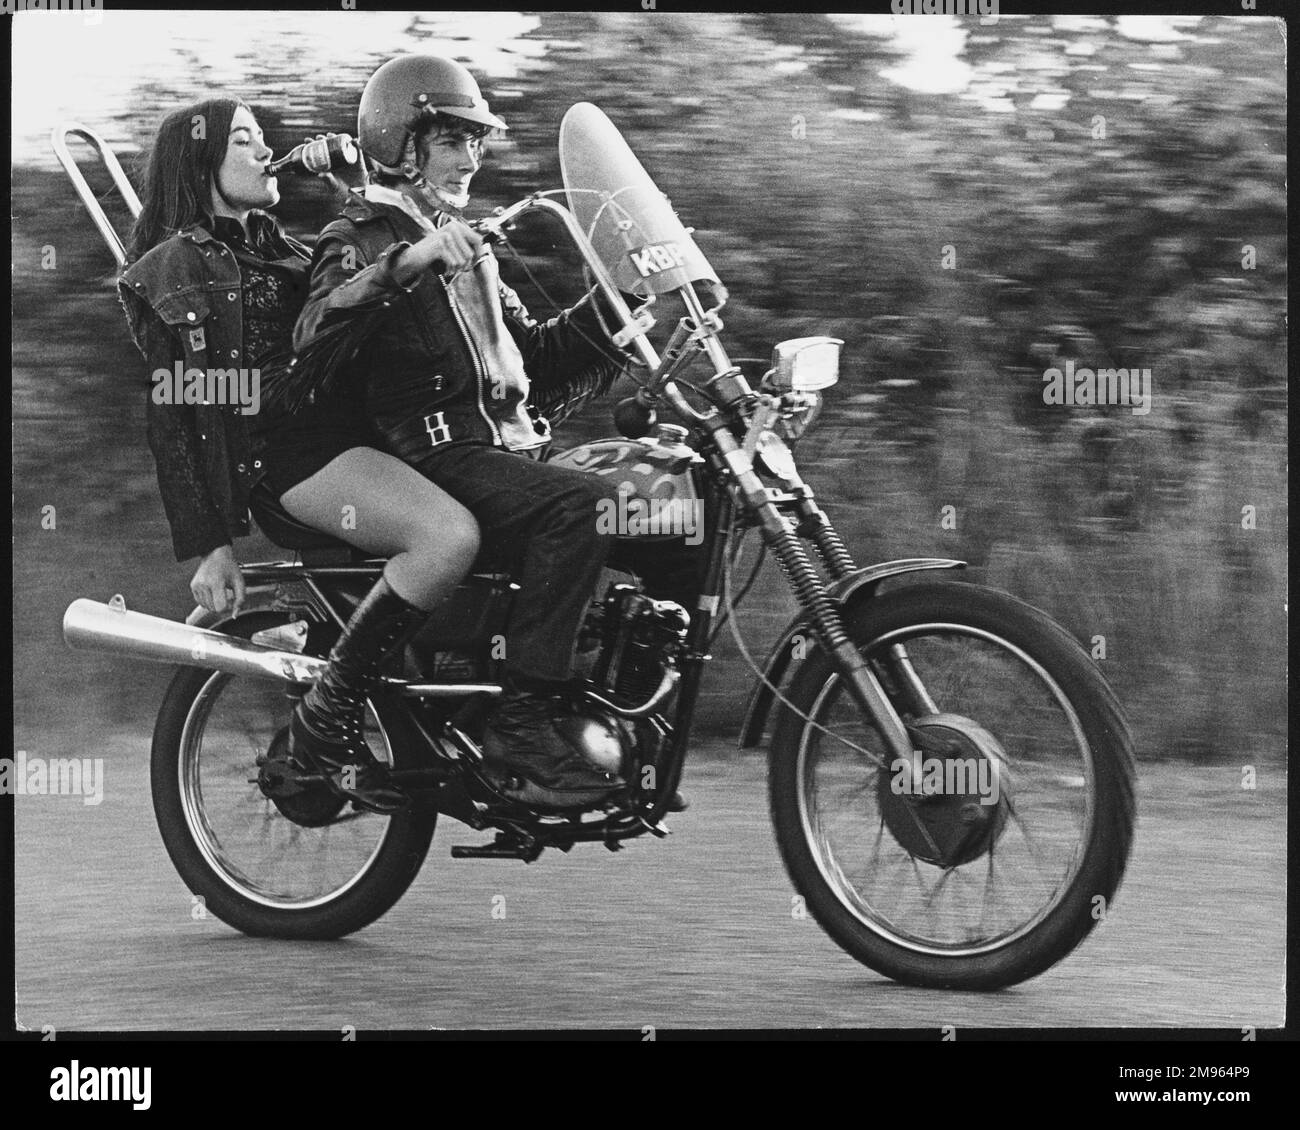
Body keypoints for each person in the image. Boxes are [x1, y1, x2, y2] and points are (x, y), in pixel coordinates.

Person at [283, 54, 669, 809]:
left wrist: (620, 302)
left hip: (503, 445)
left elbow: (540, 365)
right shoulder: (360, 233)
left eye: (475, 142)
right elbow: (314, 328)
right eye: (453, 139)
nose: (471, 157)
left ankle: (613, 715)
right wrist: (405, 262)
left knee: (652, 490)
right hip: (437, 451)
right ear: (402, 142)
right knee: (579, 505)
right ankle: (522, 725)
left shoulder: (465, 244)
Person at [117, 97, 481, 814]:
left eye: (263, 140)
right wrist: (210, 547)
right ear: (203, 165)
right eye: (245, 142)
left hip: (357, 445)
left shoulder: (284, 246)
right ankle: (329, 725)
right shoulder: (174, 269)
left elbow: (355, 288)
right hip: (288, 462)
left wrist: (350, 182)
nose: (265, 151)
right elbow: (174, 418)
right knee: (444, 537)